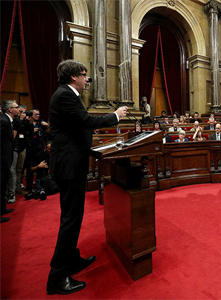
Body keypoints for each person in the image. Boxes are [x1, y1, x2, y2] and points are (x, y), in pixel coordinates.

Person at [47, 60, 127, 295]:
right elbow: (86, 121)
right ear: (74, 77)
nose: (87, 80)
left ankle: (71, 260)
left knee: (73, 215)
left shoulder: (66, 95)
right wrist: (115, 116)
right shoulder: (65, 95)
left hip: (72, 162)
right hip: (69, 164)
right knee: (71, 218)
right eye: (85, 76)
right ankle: (58, 276)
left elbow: (79, 124)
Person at [1, 100, 20, 223]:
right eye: (16, 107)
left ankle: (2, 209)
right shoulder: (3, 121)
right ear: (10, 110)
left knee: (2, 185)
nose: (19, 109)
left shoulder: (7, 120)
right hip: (1, 158)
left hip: (5, 158)